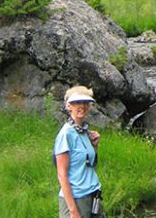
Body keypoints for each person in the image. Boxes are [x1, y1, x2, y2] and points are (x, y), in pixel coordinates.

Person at [54, 85, 104, 218]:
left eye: (85, 102)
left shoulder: (85, 131)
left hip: (93, 194)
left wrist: (94, 147)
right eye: (77, 102)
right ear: (69, 106)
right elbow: (62, 175)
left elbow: (87, 166)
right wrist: (73, 212)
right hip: (76, 198)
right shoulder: (66, 134)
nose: (82, 106)